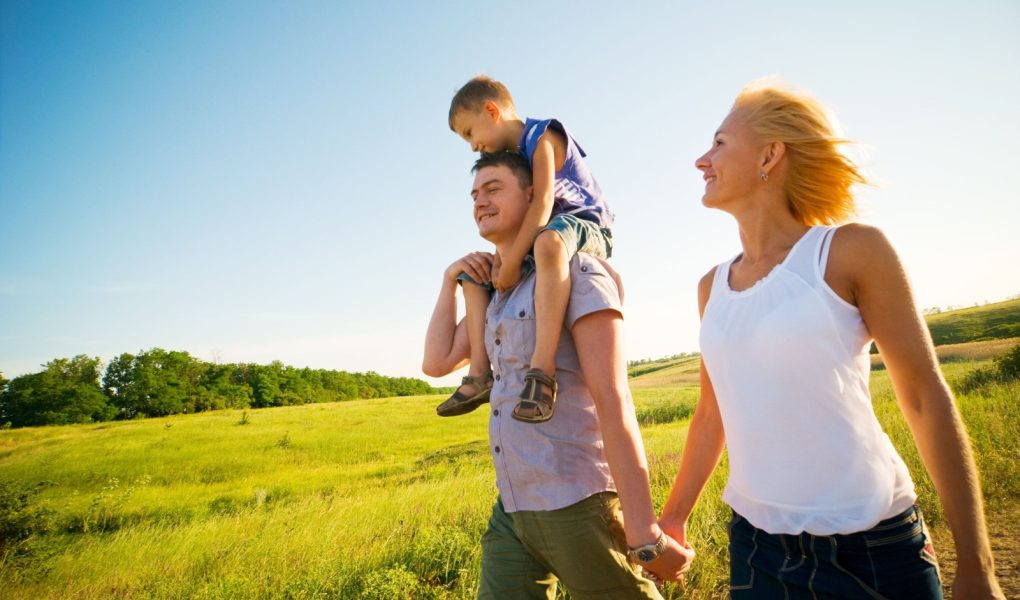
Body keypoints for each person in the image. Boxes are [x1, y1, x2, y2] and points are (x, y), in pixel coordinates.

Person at [657, 79, 1004, 599]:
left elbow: (923, 396)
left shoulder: (850, 251)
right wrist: (675, 516)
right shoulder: (712, 287)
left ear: (769, 155)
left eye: (720, 144)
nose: (702, 160)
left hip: (871, 543)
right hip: (757, 548)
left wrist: (978, 566)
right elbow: (712, 413)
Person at [422, 151, 693, 599]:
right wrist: (449, 278)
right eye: (474, 194)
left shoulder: (578, 271)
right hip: (512, 507)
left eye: (493, 189)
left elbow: (614, 398)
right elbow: (435, 363)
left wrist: (645, 535)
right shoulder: (494, 295)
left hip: (575, 503)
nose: (479, 203)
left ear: (533, 198)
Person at [436, 75, 614, 424]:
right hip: (550, 234)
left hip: (586, 226)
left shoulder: (540, 136)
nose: (473, 146)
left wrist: (514, 259)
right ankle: (479, 374)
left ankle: (542, 371)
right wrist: (500, 261)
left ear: (491, 111)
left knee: (547, 242)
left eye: (471, 133)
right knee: (477, 274)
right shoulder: (515, 155)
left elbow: (543, 202)